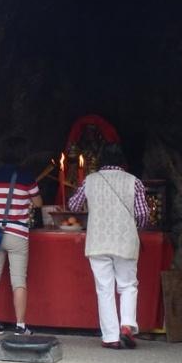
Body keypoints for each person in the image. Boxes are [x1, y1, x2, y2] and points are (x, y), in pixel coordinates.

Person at [67, 143, 149, 349]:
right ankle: (127, 326)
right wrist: (132, 227)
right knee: (128, 285)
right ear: (122, 160)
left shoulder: (90, 180)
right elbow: (143, 215)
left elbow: (74, 206)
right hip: (125, 240)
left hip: (98, 240)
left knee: (104, 288)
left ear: (101, 159)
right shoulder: (134, 182)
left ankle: (111, 337)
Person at [0, 136, 42, 336]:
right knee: (18, 280)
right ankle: (21, 326)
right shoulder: (27, 177)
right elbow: (39, 203)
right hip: (17, 234)